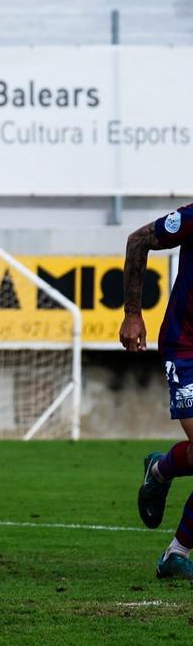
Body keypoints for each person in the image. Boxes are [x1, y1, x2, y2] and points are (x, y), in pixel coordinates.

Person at [123, 204, 193, 579]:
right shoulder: (192, 218)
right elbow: (138, 241)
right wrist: (133, 313)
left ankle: (160, 469)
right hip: (187, 349)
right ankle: (176, 552)